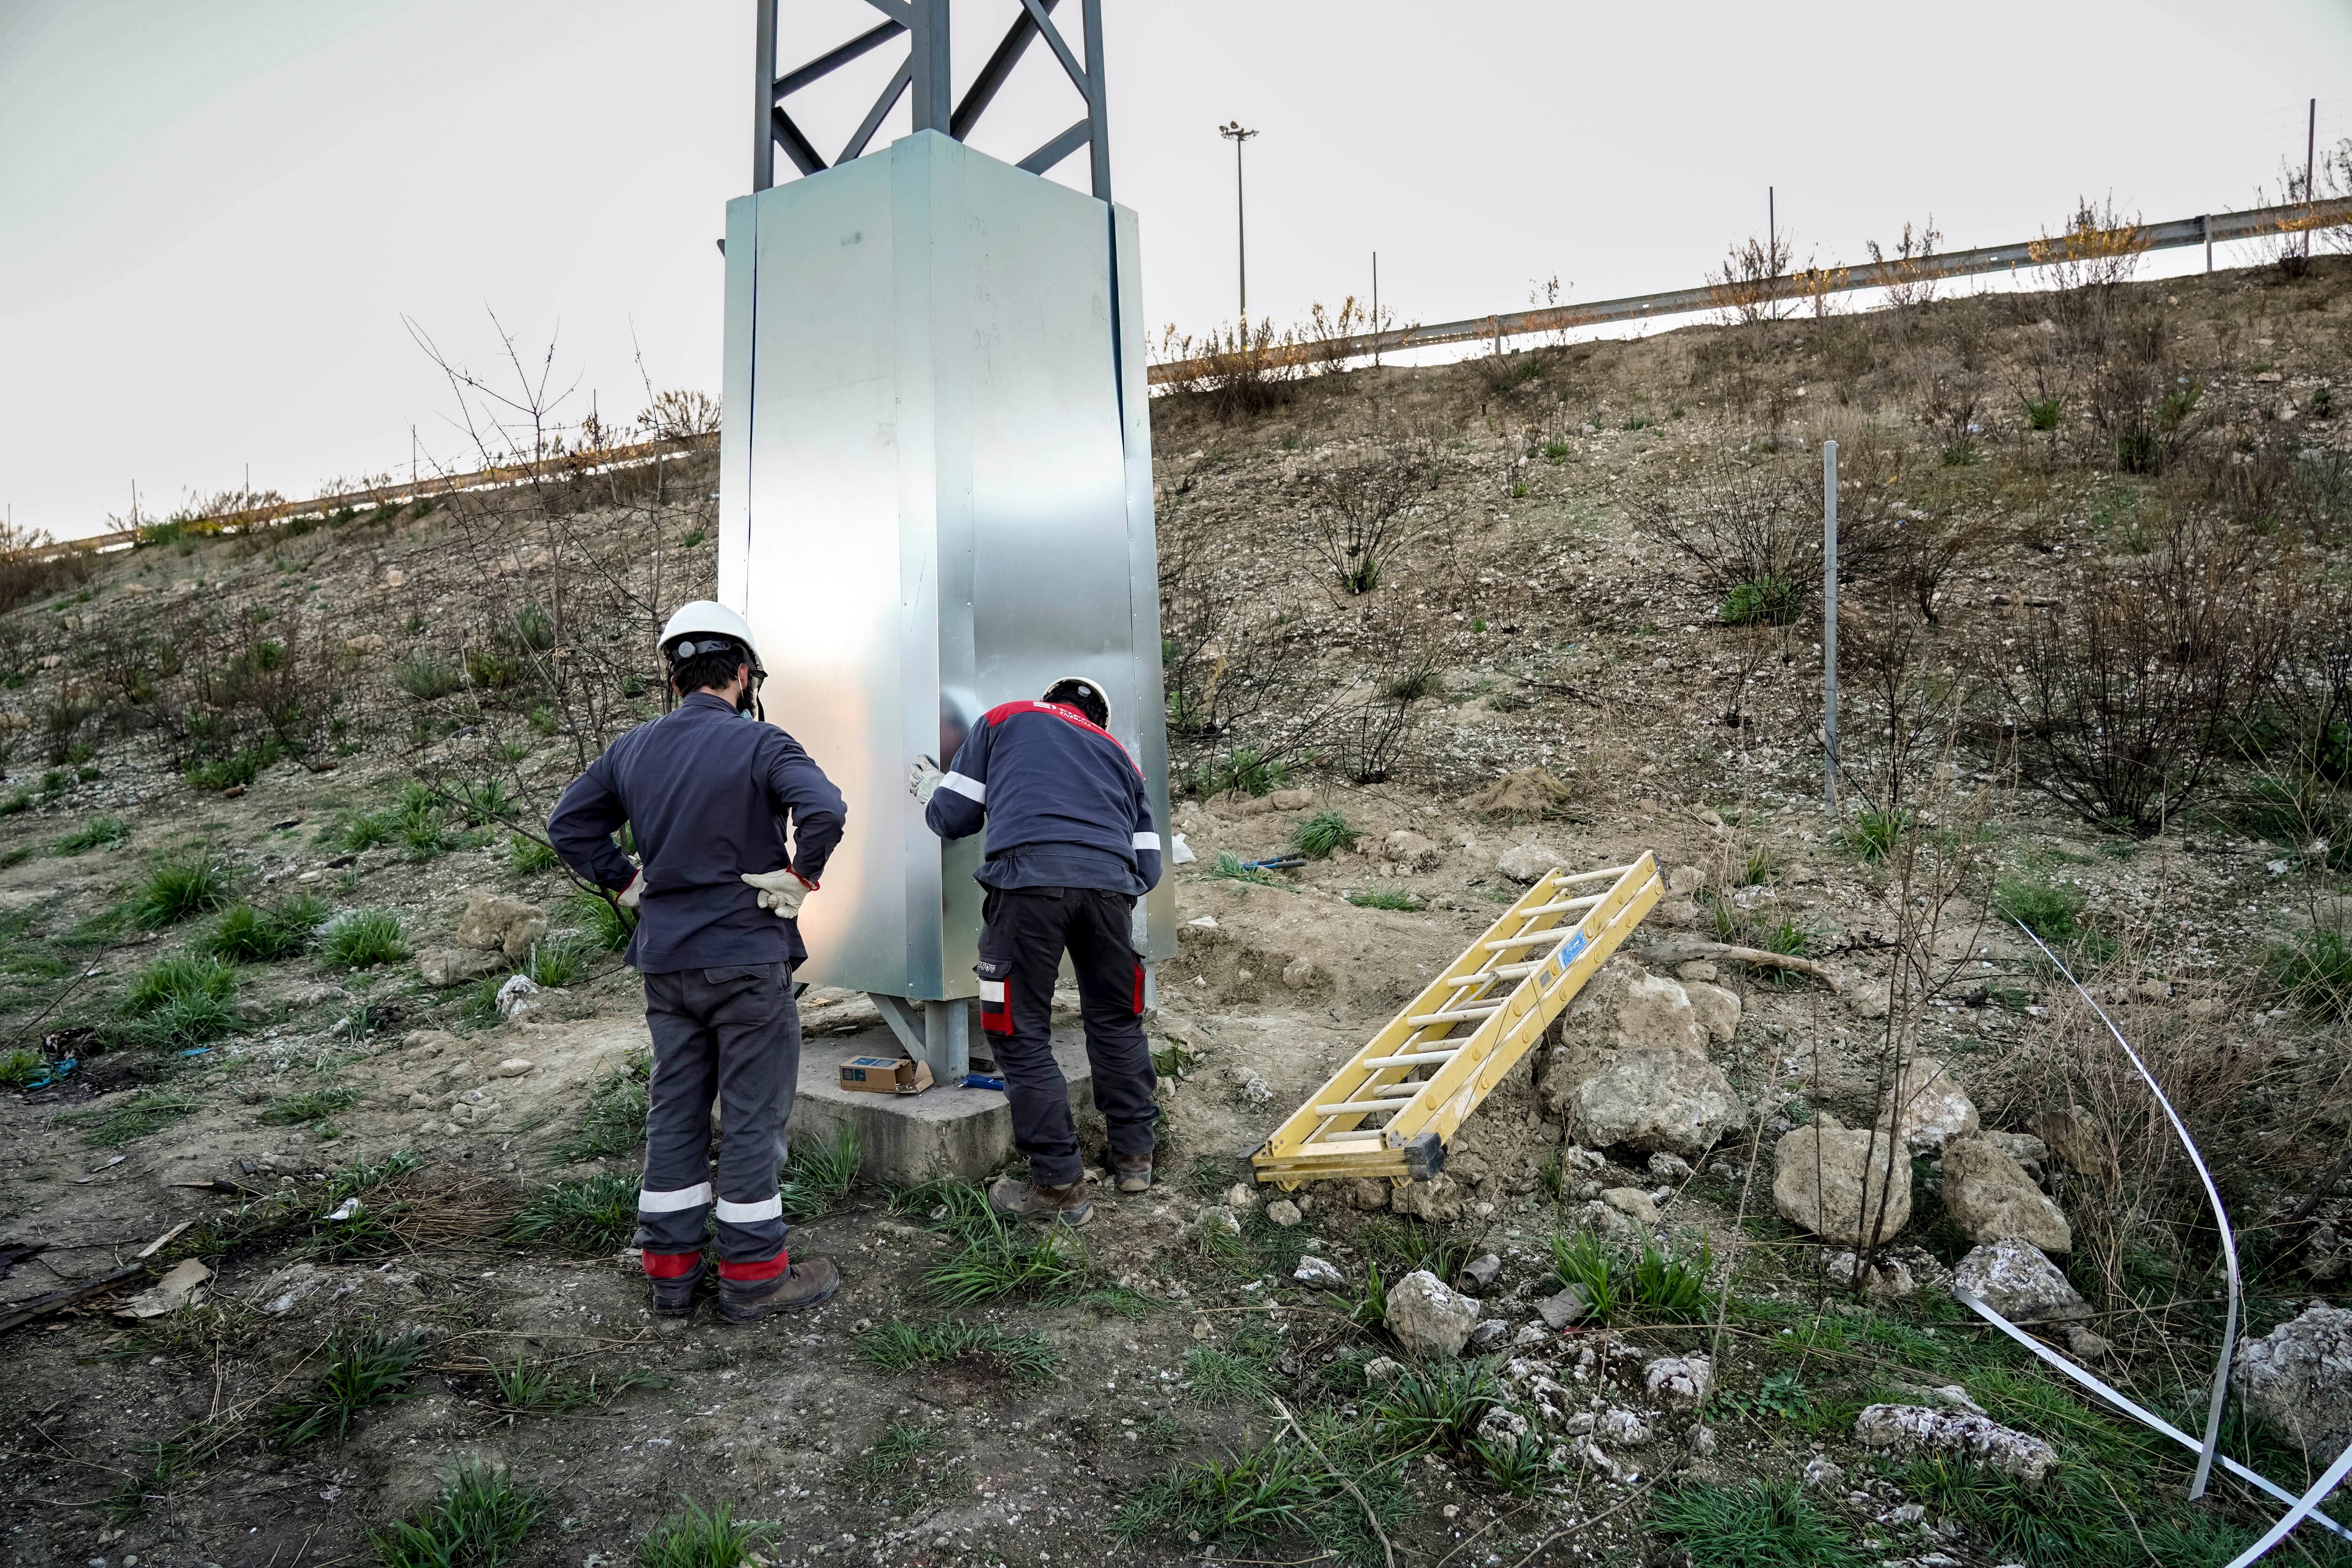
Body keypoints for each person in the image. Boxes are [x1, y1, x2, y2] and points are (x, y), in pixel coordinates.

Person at [548, 601, 847, 1321]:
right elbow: (826, 809)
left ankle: (671, 1274)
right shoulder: (763, 743)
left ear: (674, 677)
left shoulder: (632, 748)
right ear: (743, 674)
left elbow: (568, 823)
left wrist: (625, 878)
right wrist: (802, 877)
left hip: (667, 961)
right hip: (745, 959)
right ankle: (753, 1277)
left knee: (675, 1109)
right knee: (750, 1117)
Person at [913, 676, 1162, 1226]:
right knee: (1118, 1021)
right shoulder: (1121, 756)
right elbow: (1149, 868)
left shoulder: (1006, 717)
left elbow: (952, 817)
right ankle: (1133, 1156)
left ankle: (1058, 1186)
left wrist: (932, 788)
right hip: (1110, 894)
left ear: (1052, 701)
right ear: (1099, 719)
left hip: (1027, 886)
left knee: (1019, 1032)